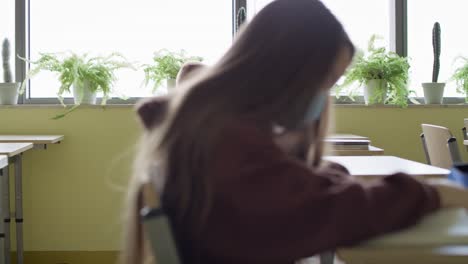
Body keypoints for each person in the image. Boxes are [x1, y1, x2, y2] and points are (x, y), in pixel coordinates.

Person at [124, 0, 468, 263]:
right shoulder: (227, 144)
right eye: (326, 82)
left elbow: (295, 189)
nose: (324, 97)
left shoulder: (205, 127)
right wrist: (433, 195)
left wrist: (331, 179)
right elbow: (332, 211)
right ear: (288, 73)